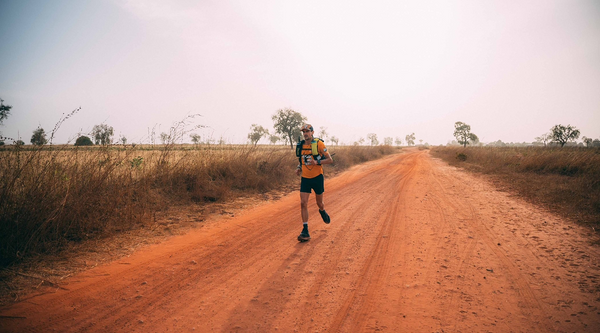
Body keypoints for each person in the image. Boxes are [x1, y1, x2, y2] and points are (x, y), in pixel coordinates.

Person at [296, 124, 333, 242]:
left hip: (317, 177)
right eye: (304, 132)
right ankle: (305, 230)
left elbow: (330, 160)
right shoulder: (301, 145)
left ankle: (322, 211)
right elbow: (301, 160)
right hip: (305, 178)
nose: (305, 133)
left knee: (320, 203)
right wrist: (299, 167)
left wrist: (316, 162)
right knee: (303, 203)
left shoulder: (319, 144)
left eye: (307, 131)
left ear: (312, 132)